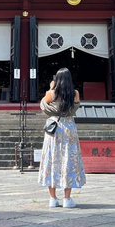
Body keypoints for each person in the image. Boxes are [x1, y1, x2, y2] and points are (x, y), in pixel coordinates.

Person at [38, 68, 85, 208]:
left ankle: (52, 198)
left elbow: (43, 105)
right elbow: (75, 108)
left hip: (54, 128)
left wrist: (51, 88)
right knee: (68, 160)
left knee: (52, 160)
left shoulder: (51, 93)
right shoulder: (75, 93)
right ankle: (67, 198)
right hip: (69, 128)